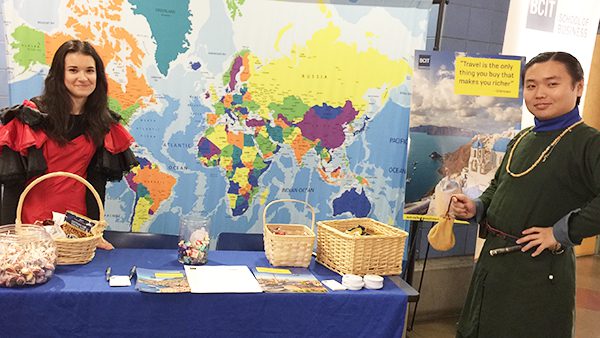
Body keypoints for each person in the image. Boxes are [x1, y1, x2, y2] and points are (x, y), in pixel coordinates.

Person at [451, 52, 600, 337]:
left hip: (540, 273)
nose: (539, 93)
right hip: (493, 267)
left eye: (552, 84)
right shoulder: (521, 138)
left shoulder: (589, 142)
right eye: (531, 86)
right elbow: (499, 186)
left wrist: (560, 233)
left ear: (578, 87)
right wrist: (477, 208)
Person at [0, 40, 138, 247]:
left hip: (76, 231)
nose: (83, 77)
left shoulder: (102, 123)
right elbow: (13, 184)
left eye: (90, 71)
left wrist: (96, 232)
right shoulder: (32, 117)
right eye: (73, 70)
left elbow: (96, 183)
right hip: (31, 230)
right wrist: (7, 237)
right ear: (59, 74)